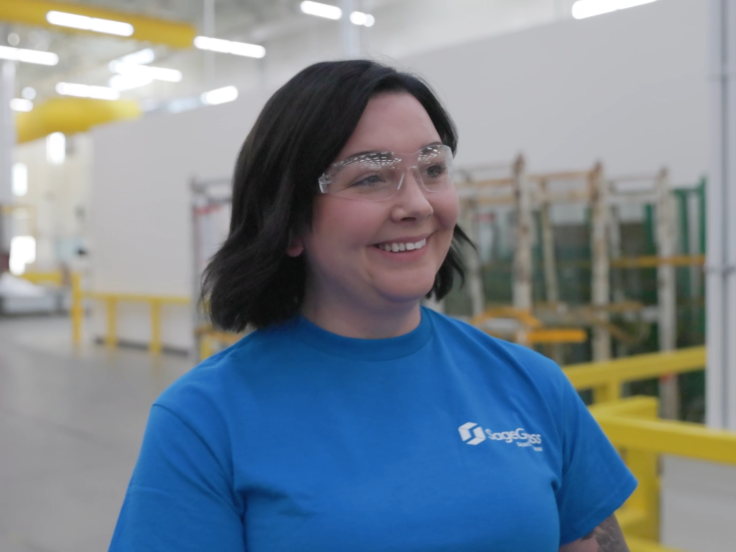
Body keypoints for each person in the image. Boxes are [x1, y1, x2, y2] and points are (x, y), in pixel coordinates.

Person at [109, 60, 636, 552]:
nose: (417, 205)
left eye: (432, 169)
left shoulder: (533, 384)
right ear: (288, 222)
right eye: (370, 177)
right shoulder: (203, 421)